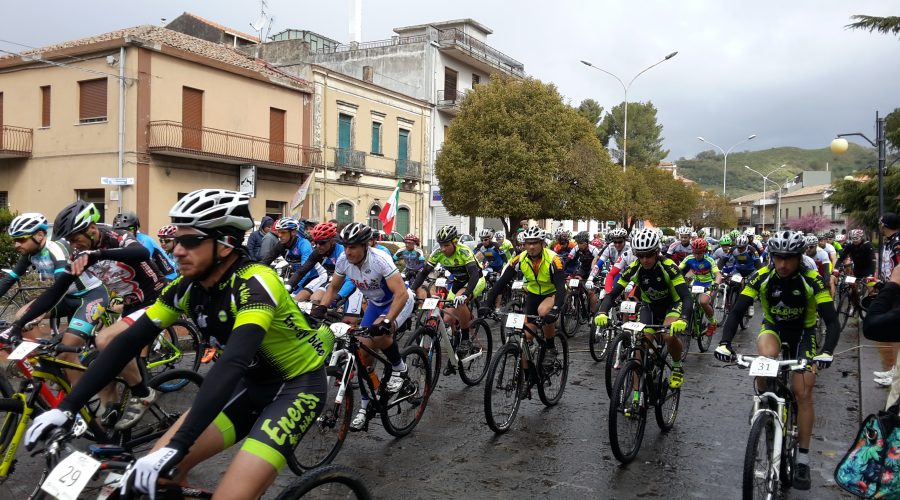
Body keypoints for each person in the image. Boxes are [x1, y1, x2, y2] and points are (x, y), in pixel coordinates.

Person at [24, 189, 334, 500]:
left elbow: (233, 362)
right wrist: (66, 408)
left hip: (296, 387)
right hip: (247, 385)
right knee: (153, 472)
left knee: (231, 492)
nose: (177, 250)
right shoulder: (186, 287)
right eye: (176, 240)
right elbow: (127, 342)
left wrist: (177, 444)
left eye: (190, 241)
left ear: (225, 244)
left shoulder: (256, 282)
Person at [13, 201, 166, 429]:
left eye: (76, 239)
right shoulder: (80, 253)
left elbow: (142, 252)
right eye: (71, 241)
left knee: (105, 339)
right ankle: (111, 409)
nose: (74, 245)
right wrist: (20, 324)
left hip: (156, 300)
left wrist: (98, 254)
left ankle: (142, 392)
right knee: (101, 361)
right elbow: (55, 292)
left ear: (92, 229)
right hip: (131, 304)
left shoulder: (117, 236)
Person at [714, 230, 839, 490]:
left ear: (798, 257)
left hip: (804, 333)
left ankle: (802, 458)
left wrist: (826, 352)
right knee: (765, 358)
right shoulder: (761, 276)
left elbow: (831, 321)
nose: (782, 264)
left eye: (789, 259)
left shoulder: (812, 280)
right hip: (773, 327)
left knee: (802, 390)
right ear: (771, 256)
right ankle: (765, 405)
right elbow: (737, 311)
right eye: (778, 258)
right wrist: (724, 343)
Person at [312, 222, 415, 431]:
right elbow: (333, 287)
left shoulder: (379, 260)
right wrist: (321, 308)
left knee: (381, 331)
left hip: (398, 301)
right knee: (362, 355)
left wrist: (388, 321)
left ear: (365, 246)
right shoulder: (344, 260)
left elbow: (402, 293)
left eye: (353, 247)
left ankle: (399, 368)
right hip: (375, 305)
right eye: (346, 246)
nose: (348, 251)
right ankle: (366, 406)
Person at [0, 213, 109, 378]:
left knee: (66, 349)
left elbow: (60, 288)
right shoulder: (30, 255)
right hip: (67, 297)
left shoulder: (55, 250)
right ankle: (43, 361)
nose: (16, 245)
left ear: (39, 235)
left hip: (91, 296)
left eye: (21, 239)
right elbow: (8, 280)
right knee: (21, 315)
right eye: (14, 240)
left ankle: (77, 392)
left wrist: (39, 314)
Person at [595, 228, 692, 389]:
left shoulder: (669, 267)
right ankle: (635, 396)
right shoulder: (634, 267)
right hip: (650, 307)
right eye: (640, 255)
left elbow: (686, 297)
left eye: (649, 255)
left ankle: (676, 366)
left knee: (669, 336)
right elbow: (612, 295)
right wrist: (602, 312)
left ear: (657, 252)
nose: (645, 260)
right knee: (638, 348)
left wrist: (684, 319)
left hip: (672, 305)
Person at [480, 226, 566, 367]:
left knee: (544, 312)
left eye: (535, 243)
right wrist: (487, 303)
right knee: (525, 338)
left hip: (552, 293)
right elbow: (501, 283)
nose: (531, 247)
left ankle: (550, 348)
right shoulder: (519, 259)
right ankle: (526, 380)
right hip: (533, 294)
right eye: (528, 243)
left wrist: (556, 309)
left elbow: (561, 286)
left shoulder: (553, 259)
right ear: (524, 244)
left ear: (542, 243)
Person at [411, 225, 485, 355]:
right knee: (448, 319)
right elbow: (424, 273)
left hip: (476, 280)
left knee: (460, 301)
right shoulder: (438, 253)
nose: (443, 249)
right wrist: (412, 290)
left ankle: (466, 339)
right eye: (441, 245)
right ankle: (456, 338)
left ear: (454, 243)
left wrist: (466, 294)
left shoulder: (464, 251)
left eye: (446, 245)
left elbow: (474, 274)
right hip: (458, 281)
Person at [288, 223, 359, 317]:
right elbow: (302, 270)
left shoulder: (342, 253)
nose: (318, 246)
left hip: (352, 281)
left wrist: (339, 296)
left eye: (322, 243)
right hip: (332, 280)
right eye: (316, 242)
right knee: (314, 300)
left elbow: (351, 278)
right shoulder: (318, 252)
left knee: (348, 318)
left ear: (332, 241)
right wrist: (289, 285)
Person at [113, 211, 177, 281]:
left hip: (168, 277)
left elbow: (137, 264)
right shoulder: (119, 241)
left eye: (129, 229)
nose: (125, 233)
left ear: (135, 229)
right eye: (120, 230)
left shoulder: (144, 240)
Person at [679, 238, 722, 336]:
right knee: (685, 300)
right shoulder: (689, 258)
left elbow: (718, 275)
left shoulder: (709, 260)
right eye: (695, 252)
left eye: (699, 253)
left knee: (703, 302)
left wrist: (715, 285)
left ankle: (712, 321)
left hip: (708, 283)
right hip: (696, 282)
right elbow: (678, 269)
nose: (697, 255)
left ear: (705, 251)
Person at [566, 231, 601, 312]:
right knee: (574, 283)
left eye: (580, 243)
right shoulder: (576, 248)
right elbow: (568, 260)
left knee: (590, 292)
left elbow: (599, 262)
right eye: (577, 243)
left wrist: (594, 275)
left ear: (586, 243)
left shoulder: (594, 250)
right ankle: (578, 297)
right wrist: (562, 271)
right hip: (583, 269)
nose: (578, 245)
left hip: (593, 269)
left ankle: (593, 311)